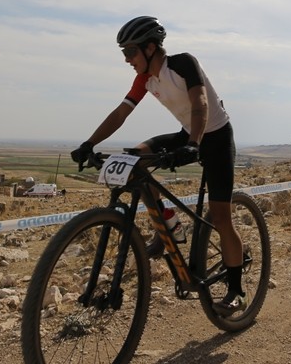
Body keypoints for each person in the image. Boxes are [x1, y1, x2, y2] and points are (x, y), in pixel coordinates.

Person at [70, 16, 246, 315]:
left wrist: (194, 143)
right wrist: (89, 143)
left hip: (214, 136)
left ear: (151, 48)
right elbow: (121, 113)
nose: (126, 59)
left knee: (221, 218)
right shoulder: (144, 79)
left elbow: (200, 103)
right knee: (135, 157)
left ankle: (235, 290)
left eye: (129, 52)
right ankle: (169, 225)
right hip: (186, 133)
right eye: (123, 53)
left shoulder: (182, 64)